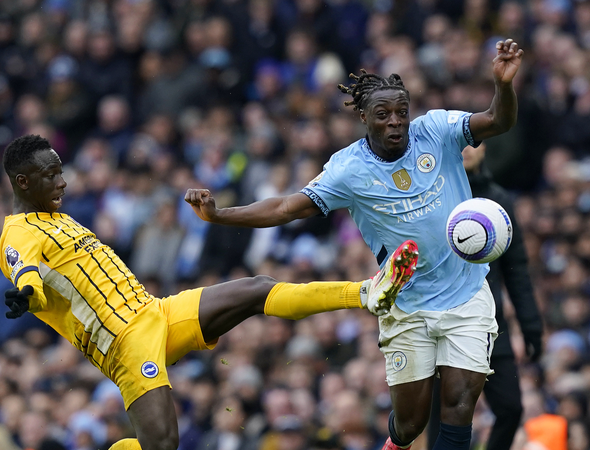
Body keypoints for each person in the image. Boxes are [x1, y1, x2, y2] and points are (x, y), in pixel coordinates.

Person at [185, 39, 525, 450]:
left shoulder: (436, 130)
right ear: (364, 117)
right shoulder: (348, 169)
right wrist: (220, 215)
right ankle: (394, 442)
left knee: (459, 402)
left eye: (402, 112)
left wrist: (503, 86)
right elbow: (286, 207)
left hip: (467, 295)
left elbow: (497, 121)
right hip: (405, 301)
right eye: (383, 115)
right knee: (411, 422)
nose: (396, 121)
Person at [0, 134, 419, 450]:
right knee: (162, 445)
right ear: (22, 181)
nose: (62, 181)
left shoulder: (58, 217)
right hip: (124, 343)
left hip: (155, 313)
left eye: (60, 170)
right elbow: (26, 273)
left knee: (256, 289)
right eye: (50, 174)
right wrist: (27, 294)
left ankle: (367, 291)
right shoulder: (17, 233)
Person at [425, 142, 544, 450]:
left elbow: (516, 268)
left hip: (491, 324)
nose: (466, 149)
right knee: (440, 413)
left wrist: (531, 324)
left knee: (511, 408)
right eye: (458, 143)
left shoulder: (499, 200)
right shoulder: (432, 199)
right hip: (443, 324)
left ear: (485, 148)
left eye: (473, 142)